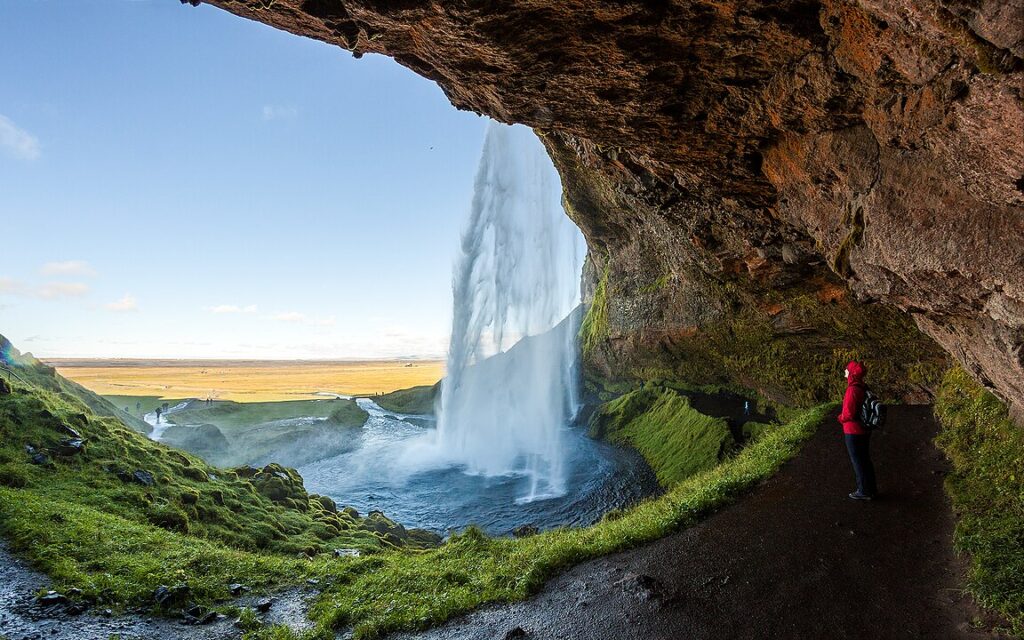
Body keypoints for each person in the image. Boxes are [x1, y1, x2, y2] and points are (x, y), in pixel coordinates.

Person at [839, 360, 877, 500]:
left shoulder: (852, 389)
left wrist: (840, 418)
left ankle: (864, 491)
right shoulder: (863, 387)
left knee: (858, 461)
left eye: (846, 370)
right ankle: (871, 489)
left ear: (851, 373)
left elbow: (848, 413)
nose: (845, 372)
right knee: (865, 460)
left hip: (853, 431)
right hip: (864, 429)